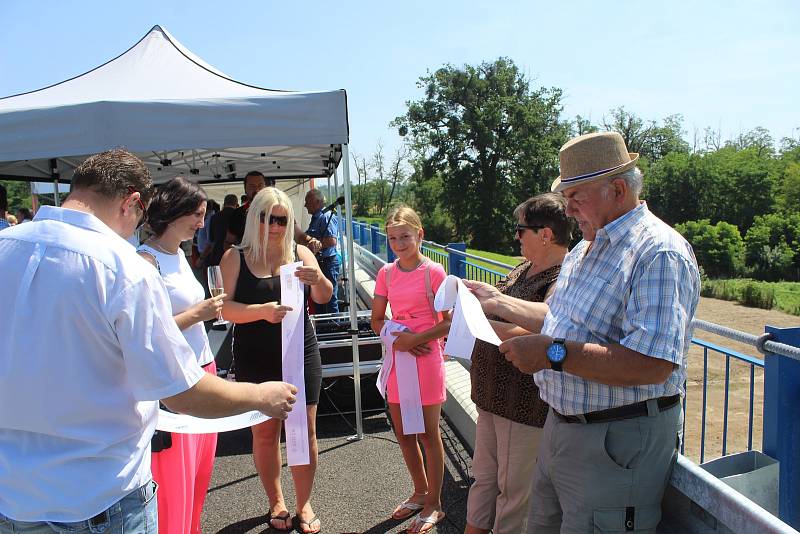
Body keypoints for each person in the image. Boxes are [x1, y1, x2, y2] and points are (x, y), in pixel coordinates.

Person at [0, 149, 297, 532]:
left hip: (12, 496)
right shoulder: (124, 266)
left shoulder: (8, 246)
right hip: (99, 496)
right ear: (133, 202)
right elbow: (181, 393)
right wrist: (263, 396)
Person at [465, 131, 700, 533]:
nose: (568, 209)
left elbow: (654, 364)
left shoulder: (658, 252)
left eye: (576, 196)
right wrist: (497, 301)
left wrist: (552, 354)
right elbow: (560, 320)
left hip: (614, 440)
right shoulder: (585, 249)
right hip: (563, 428)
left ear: (619, 189)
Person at [219, 187, 332, 534]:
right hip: (254, 356)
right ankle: (276, 501)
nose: (275, 226)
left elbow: (325, 296)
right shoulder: (234, 257)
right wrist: (262, 312)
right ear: (255, 218)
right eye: (267, 218)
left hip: (300, 351)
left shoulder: (299, 253)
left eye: (282, 219)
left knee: (305, 431)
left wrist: (318, 279)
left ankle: (304, 502)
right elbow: (224, 309)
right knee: (265, 435)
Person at [465, 193, 573, 534]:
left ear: (546, 234)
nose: (516, 236)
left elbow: (548, 328)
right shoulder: (524, 267)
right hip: (491, 396)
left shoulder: (564, 276)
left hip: (522, 403)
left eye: (521, 229)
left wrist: (480, 324)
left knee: (513, 493)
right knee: (483, 478)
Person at [137, 177, 225, 534]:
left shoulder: (179, 255)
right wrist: (199, 314)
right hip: (176, 380)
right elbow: (145, 332)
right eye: (198, 215)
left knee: (199, 475)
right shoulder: (145, 260)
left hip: (203, 369)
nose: (202, 224)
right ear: (175, 211)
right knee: (176, 483)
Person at [370, 206, 450, 534]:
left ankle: (435, 503)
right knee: (404, 433)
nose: (399, 243)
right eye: (392, 238)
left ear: (420, 234)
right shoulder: (386, 273)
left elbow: (447, 323)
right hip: (398, 357)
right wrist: (397, 339)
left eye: (405, 236)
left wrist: (415, 338)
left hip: (427, 358)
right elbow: (376, 319)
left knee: (429, 434)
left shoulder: (435, 273)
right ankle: (419, 493)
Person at [298, 188, 341, 313]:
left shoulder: (326, 216)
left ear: (316, 201)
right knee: (318, 297)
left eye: (307, 201)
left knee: (330, 298)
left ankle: (334, 327)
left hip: (328, 263)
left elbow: (332, 240)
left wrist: (314, 245)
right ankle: (322, 326)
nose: (305, 205)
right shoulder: (317, 218)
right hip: (320, 262)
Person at [206, 193, 239, 267]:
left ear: (224, 204)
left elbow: (211, 238)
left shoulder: (214, 217)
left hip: (217, 255)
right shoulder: (240, 216)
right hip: (234, 255)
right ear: (237, 204)